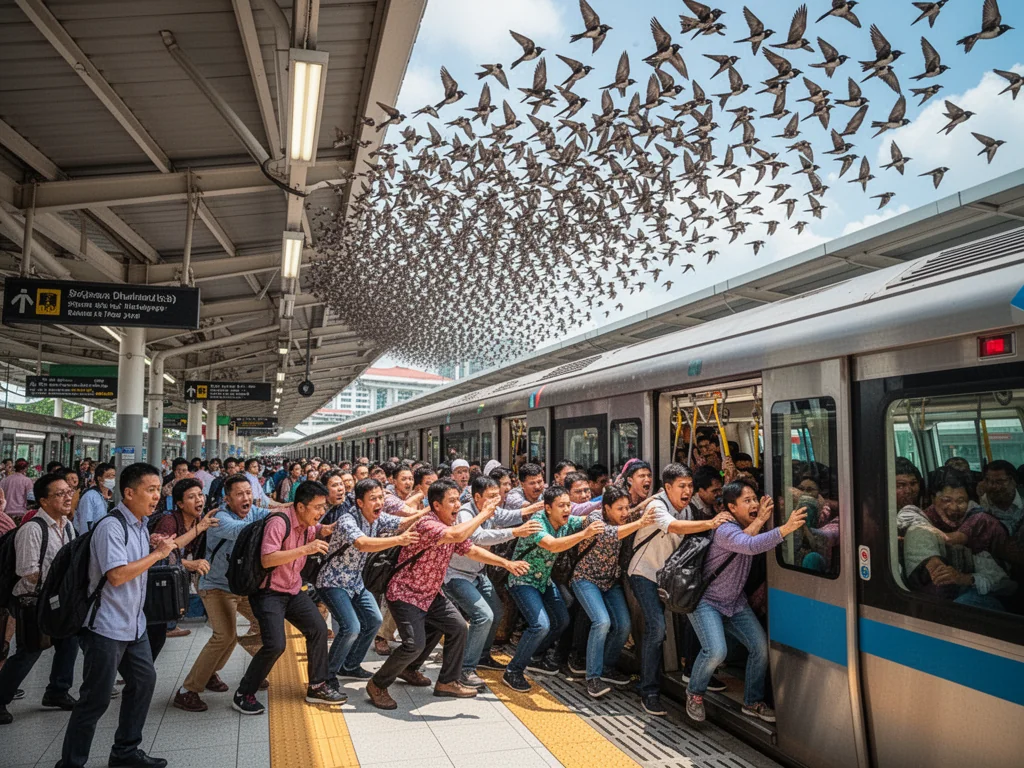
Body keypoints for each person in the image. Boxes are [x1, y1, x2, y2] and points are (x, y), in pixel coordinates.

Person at [367, 479, 529, 710]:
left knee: (457, 627)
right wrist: (483, 514)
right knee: (413, 644)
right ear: (436, 505)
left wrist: (506, 564)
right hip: (406, 593)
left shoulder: (449, 526)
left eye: (457, 499)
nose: (457, 505)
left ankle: (444, 681)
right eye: (451, 501)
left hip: (431, 593)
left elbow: (470, 549)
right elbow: (455, 535)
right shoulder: (428, 525)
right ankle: (377, 684)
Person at [58, 462, 174, 768]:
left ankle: (125, 751)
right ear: (128, 492)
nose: (156, 497)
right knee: (94, 700)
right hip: (105, 628)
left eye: (157, 491)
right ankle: (70, 763)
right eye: (150, 491)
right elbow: (118, 575)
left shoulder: (138, 526)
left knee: (144, 682)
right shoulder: (112, 527)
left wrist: (158, 550)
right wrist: (156, 555)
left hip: (133, 627)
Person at [685, 481, 806, 724]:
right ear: (732, 507)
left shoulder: (747, 526)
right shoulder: (724, 528)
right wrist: (785, 529)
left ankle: (752, 702)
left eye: (754, 498)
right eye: (747, 501)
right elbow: (748, 545)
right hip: (707, 601)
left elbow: (749, 537)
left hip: (734, 602)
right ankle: (694, 693)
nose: (753, 504)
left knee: (760, 647)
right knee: (716, 651)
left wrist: (760, 520)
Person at [627, 463, 731, 716]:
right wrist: (711, 523)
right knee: (657, 628)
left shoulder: (686, 508)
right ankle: (648, 690)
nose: (687, 491)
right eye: (682, 486)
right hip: (644, 574)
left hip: (668, 578)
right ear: (668, 487)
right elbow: (673, 527)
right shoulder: (657, 506)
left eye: (690, 486)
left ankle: (689, 669)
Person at [233, 481, 345, 714]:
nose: (321, 512)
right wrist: (307, 549)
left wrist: (327, 529)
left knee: (318, 630)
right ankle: (244, 693)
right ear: (301, 507)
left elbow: (316, 530)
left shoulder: (306, 523)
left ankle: (317, 685)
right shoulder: (279, 522)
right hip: (268, 593)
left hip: (292, 590)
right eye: (317, 507)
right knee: (275, 645)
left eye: (323, 507)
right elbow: (268, 559)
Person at [174, 473, 272, 712]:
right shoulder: (219, 518)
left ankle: (217, 673)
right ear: (227, 499)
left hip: (242, 586)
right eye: (239, 494)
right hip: (215, 585)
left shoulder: (254, 512)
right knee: (224, 635)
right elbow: (243, 530)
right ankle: (188, 690)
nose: (246, 497)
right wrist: (276, 524)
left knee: (265, 623)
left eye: (249, 493)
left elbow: (272, 517)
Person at [317, 479, 424, 683]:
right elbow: (362, 543)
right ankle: (327, 676)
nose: (379, 502)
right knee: (351, 627)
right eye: (372, 498)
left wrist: (427, 512)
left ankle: (350, 666)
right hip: (333, 582)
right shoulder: (347, 520)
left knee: (374, 620)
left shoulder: (377, 518)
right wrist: (398, 540)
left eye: (381, 497)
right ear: (360, 502)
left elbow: (400, 522)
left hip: (355, 583)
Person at [502, 485, 605, 692]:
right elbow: (553, 545)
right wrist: (585, 534)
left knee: (561, 620)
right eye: (561, 506)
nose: (567, 509)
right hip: (523, 580)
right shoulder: (536, 523)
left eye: (568, 505)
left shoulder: (567, 521)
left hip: (544, 581)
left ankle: (535, 655)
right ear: (548, 508)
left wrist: (594, 520)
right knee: (540, 625)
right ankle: (513, 670)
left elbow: (587, 518)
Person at [443, 475, 542, 688]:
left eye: (499, 495)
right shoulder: (465, 513)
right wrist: (515, 532)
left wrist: (538, 506)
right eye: (491, 496)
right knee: (483, 616)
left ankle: (482, 655)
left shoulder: (492, 509)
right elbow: (479, 538)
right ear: (476, 497)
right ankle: (465, 669)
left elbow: (509, 514)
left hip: (478, 574)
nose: (497, 500)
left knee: (496, 612)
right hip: (456, 575)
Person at [0, 473, 79, 725]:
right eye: (60, 494)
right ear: (43, 501)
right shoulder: (32, 529)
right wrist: (57, 585)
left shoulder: (67, 525)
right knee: (30, 650)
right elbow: (28, 571)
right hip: (33, 601)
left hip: (57, 599)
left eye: (69, 492)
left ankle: (57, 691)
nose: (68, 497)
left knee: (68, 642)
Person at [571, 485, 656, 698]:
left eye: (627, 508)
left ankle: (607, 667)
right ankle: (593, 678)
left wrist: (656, 497)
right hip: (585, 579)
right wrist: (639, 523)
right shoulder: (594, 520)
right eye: (620, 509)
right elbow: (610, 535)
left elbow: (637, 511)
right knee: (602, 622)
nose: (625, 513)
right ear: (606, 508)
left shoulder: (626, 517)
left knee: (623, 625)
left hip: (610, 582)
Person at [147, 479, 217, 659]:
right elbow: (165, 551)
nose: (199, 500)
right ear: (180, 503)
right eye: (191, 497)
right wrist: (190, 563)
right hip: (152, 584)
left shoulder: (199, 520)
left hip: (170, 583)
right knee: (152, 631)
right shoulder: (169, 521)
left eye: (200, 495)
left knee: (158, 632)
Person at [73, 461, 116, 536]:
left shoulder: (109, 495)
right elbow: (85, 524)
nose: (112, 479)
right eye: (108, 476)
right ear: (99, 478)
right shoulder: (90, 496)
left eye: (113, 476)